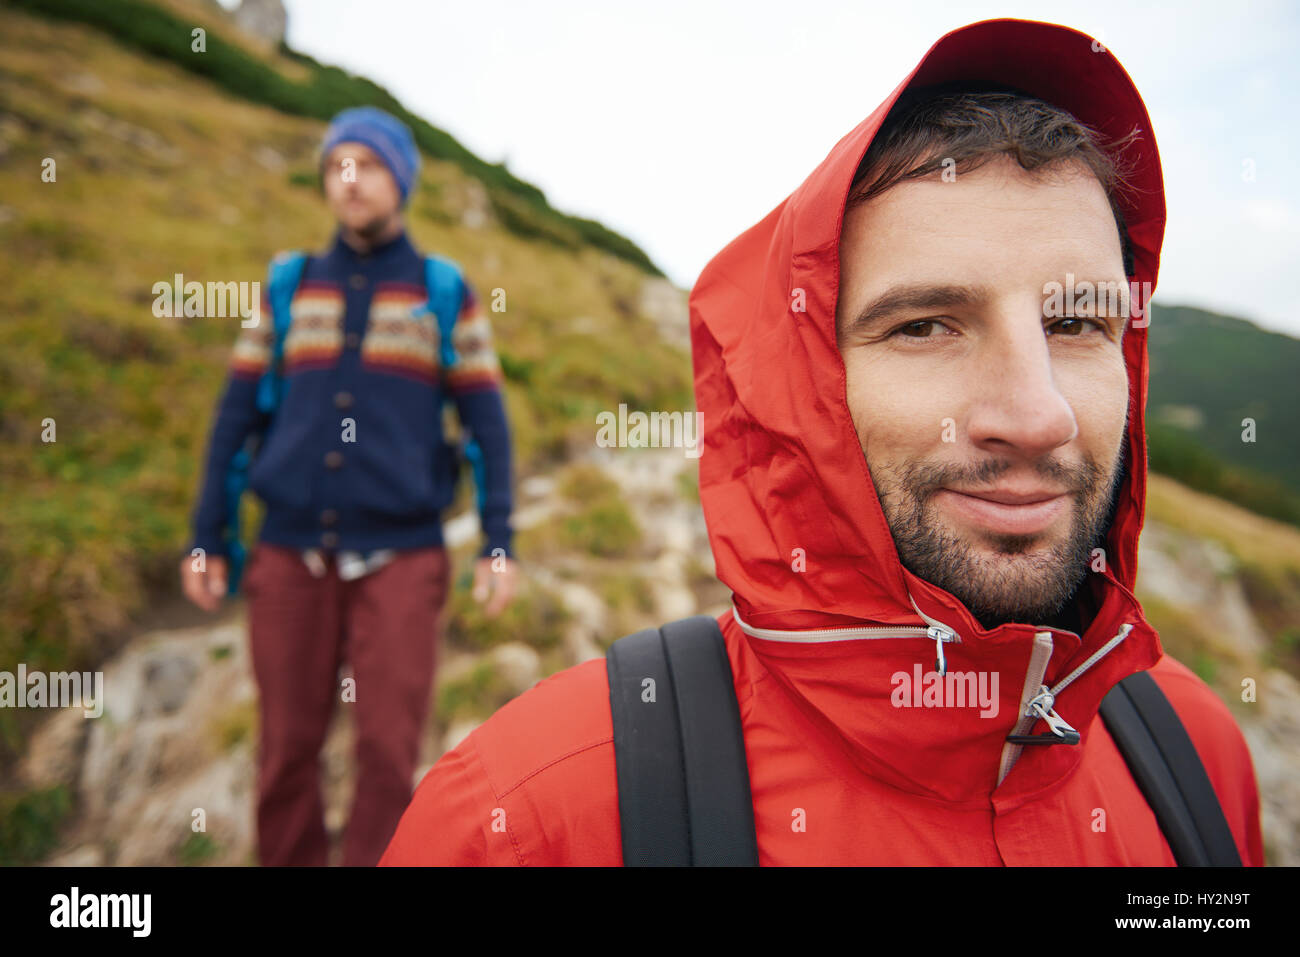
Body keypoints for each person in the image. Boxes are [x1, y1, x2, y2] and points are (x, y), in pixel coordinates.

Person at [378, 19, 1263, 866]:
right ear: (808, 388)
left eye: (1077, 321)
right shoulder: (528, 824)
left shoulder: (1199, 754)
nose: (1037, 417)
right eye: (925, 326)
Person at [180, 106, 518, 866]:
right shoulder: (288, 285)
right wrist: (209, 536)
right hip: (288, 557)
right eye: (337, 165)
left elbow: (487, 425)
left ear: (399, 179)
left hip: (402, 558)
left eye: (367, 164)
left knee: (390, 759)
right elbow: (235, 417)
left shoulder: (443, 290)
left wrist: (499, 540)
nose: (350, 180)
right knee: (285, 754)